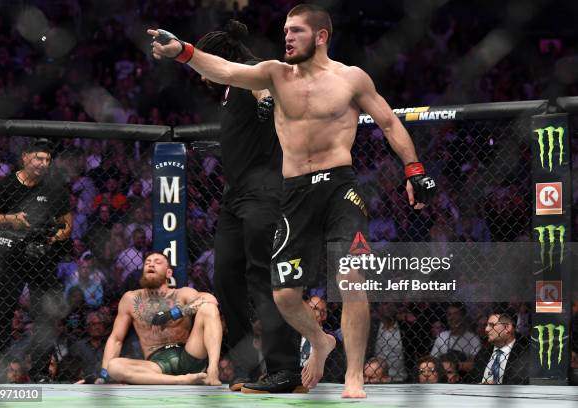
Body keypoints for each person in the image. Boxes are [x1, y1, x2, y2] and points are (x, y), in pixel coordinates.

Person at [148, 3, 435, 398]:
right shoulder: (274, 74)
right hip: (295, 191)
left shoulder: (351, 79)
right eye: (285, 30)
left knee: (350, 276)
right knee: (283, 293)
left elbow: (388, 121)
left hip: (340, 187)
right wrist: (183, 50)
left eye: (296, 30)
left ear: (320, 36)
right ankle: (319, 340)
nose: (287, 36)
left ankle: (354, 375)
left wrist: (414, 170)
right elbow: (226, 70)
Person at [193, 20, 302, 393]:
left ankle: (284, 369)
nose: (201, 75)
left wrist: (266, 102)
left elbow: (262, 87)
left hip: (264, 195)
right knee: (225, 277)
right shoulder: (227, 90)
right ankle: (246, 367)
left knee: (261, 280)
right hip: (234, 197)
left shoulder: (249, 76)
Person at [0, 138, 72, 380]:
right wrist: (13, 219)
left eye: (47, 160)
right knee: (0, 312)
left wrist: (52, 237)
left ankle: (40, 373)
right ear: (25, 157)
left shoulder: (55, 188)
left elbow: (67, 224)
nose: (43, 163)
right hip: (12, 258)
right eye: (38, 158)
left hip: (42, 258)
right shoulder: (8, 185)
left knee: (46, 317)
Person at [96, 252, 222, 385]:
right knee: (114, 366)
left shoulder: (182, 294)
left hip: (189, 354)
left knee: (209, 308)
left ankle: (213, 371)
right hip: (156, 366)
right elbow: (116, 339)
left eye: (157, 262)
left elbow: (211, 299)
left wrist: (174, 313)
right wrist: (103, 376)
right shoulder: (130, 299)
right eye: (147, 262)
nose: (151, 264)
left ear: (168, 273)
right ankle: (180, 380)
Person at [466, 308, 529, 385]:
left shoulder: (526, 355)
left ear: (507, 328)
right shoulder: (482, 355)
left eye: (491, 325)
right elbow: (471, 382)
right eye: (487, 325)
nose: (486, 329)